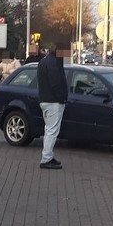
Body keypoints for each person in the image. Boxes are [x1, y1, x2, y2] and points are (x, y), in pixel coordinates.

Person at [37, 42, 69, 170]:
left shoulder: (44, 61)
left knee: (48, 129)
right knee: (52, 131)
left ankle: (48, 155)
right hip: (53, 101)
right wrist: (62, 98)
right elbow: (56, 83)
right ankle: (46, 158)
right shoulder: (54, 63)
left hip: (45, 99)